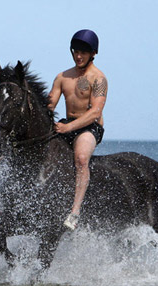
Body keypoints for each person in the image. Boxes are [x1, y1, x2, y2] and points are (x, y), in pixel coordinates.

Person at [48, 29, 108, 230]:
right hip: (67, 123)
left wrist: (68, 128)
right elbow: (49, 106)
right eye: (76, 52)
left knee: (81, 158)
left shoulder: (98, 79)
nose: (79, 56)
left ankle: (74, 213)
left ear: (93, 53)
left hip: (89, 128)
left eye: (83, 52)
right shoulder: (62, 77)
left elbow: (95, 112)